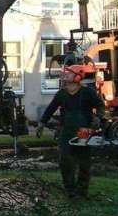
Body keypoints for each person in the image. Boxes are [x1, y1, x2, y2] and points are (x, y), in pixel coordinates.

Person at [36, 67, 104, 198]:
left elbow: (100, 106)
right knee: (65, 161)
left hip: (83, 132)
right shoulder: (61, 94)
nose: (64, 76)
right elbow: (50, 109)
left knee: (84, 163)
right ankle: (70, 190)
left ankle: (82, 191)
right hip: (66, 131)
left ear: (77, 77)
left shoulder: (88, 92)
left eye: (68, 74)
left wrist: (98, 117)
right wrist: (41, 123)